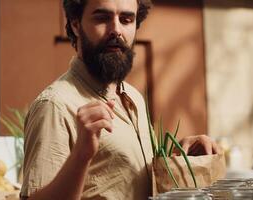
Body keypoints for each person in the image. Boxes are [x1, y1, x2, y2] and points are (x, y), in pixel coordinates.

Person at [20, 0, 221, 199]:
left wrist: (181, 154)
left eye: (126, 20)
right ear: (75, 24)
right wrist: (81, 156)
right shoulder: (55, 105)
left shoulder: (133, 96)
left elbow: (124, 177)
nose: (116, 30)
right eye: (102, 18)